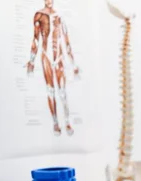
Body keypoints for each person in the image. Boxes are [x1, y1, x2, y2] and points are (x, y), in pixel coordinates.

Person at [26, 0, 80, 136]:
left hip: (59, 57)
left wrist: (73, 65)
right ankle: (55, 122)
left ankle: (67, 122)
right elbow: (36, 39)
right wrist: (31, 61)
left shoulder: (60, 16)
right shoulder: (38, 15)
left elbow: (67, 41)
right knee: (51, 91)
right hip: (46, 57)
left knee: (62, 92)